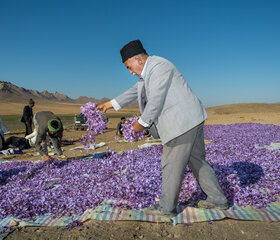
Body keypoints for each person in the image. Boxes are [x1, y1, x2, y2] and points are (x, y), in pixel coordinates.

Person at [96, 40, 228, 218]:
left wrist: (141, 124)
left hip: (181, 122)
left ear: (139, 60)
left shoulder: (159, 67)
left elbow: (156, 100)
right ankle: (218, 199)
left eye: (129, 66)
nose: (130, 71)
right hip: (191, 119)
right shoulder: (148, 74)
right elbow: (134, 91)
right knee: (197, 161)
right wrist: (109, 105)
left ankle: (167, 208)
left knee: (171, 164)